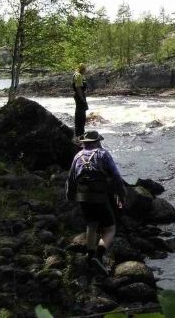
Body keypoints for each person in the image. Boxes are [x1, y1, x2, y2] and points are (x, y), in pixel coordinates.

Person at [66, 130, 126, 275]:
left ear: (84, 143)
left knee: (91, 224)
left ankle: (90, 255)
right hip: (100, 196)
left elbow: (71, 179)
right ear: (98, 141)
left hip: (83, 197)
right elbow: (116, 176)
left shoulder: (77, 156)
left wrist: (70, 196)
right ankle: (98, 255)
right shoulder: (103, 154)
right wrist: (121, 194)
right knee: (110, 228)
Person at [73, 63, 88, 137]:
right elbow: (78, 88)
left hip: (80, 96)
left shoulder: (80, 75)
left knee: (82, 112)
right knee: (81, 114)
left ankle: (80, 131)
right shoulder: (78, 75)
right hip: (79, 96)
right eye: (84, 69)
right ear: (82, 69)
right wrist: (82, 98)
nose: (85, 70)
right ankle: (79, 132)